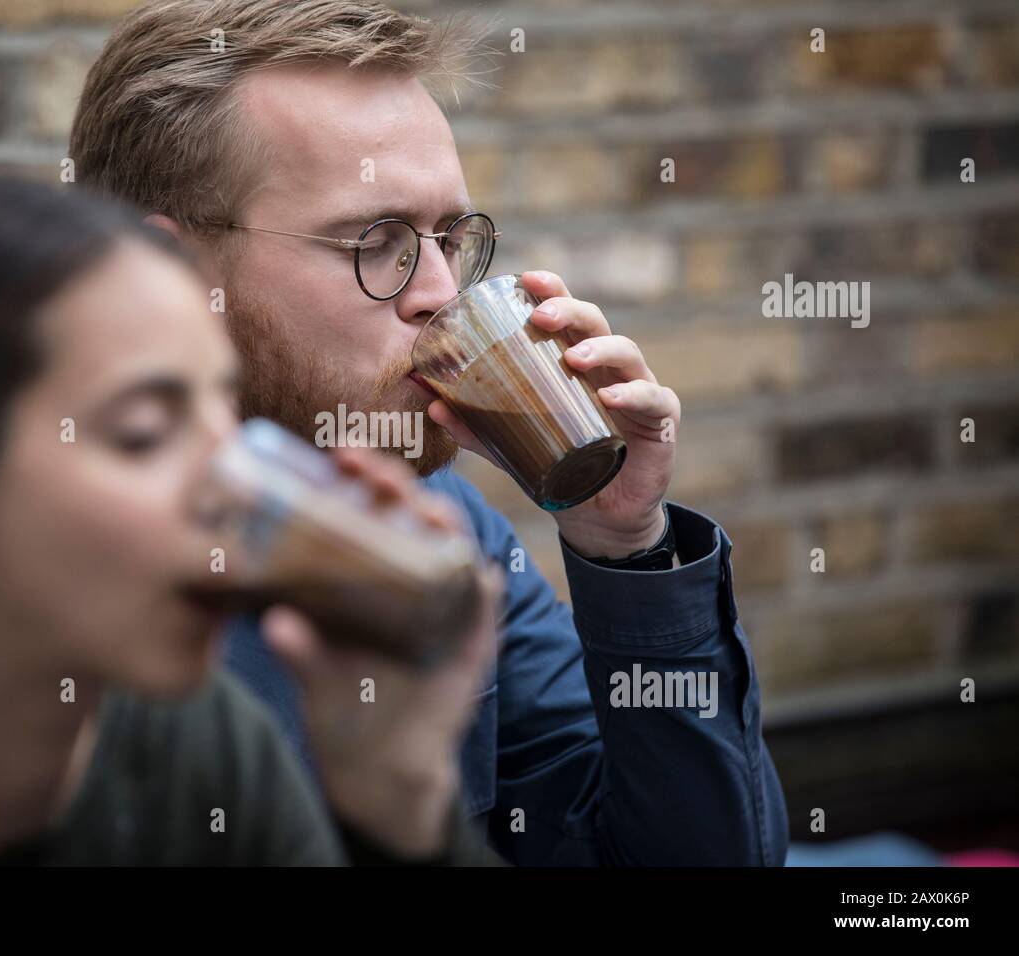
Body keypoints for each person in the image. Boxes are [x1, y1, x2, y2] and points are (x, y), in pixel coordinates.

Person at [70, 0, 790, 865]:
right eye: (378, 241)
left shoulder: (438, 527)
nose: (442, 293)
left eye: (450, 236)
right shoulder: (50, 585)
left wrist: (625, 546)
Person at [0, 179, 499, 866]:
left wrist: (400, 804)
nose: (233, 484)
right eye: (142, 433)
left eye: (225, 416)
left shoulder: (201, 752)